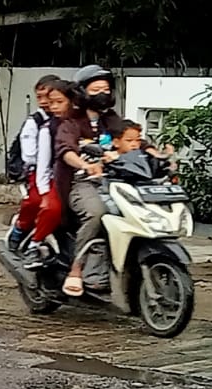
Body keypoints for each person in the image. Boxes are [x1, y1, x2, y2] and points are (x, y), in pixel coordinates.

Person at [54, 65, 125, 297]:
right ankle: (76, 269)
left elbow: (132, 139)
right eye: (95, 89)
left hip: (114, 181)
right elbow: (66, 151)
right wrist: (85, 164)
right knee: (97, 213)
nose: (102, 93)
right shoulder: (71, 122)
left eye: (106, 88)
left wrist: (157, 156)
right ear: (83, 93)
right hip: (80, 183)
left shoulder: (112, 120)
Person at [7, 75, 61, 252]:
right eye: (40, 97)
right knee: (37, 200)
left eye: (50, 97)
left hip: (64, 172)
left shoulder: (69, 119)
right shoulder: (36, 122)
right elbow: (30, 156)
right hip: (39, 171)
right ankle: (21, 228)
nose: (46, 102)